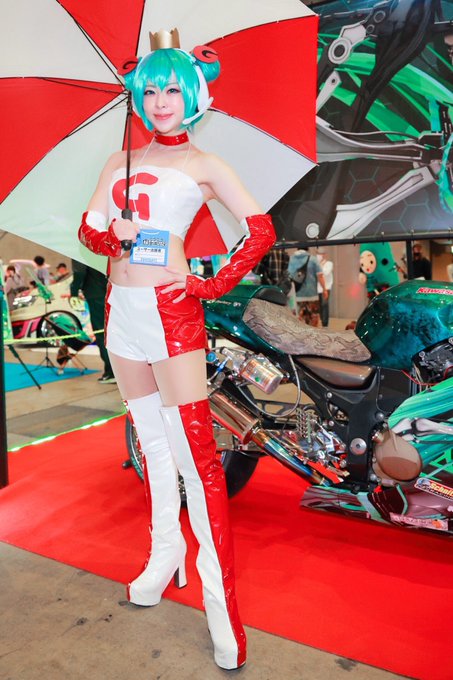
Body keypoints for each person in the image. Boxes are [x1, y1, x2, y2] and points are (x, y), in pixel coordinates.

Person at [77, 30, 275, 671]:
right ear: (137, 96)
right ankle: (166, 555)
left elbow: (260, 230)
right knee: (151, 445)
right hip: (121, 315)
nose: (160, 101)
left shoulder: (204, 165)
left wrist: (209, 285)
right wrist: (112, 236)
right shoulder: (117, 162)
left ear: (193, 95)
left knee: (198, 459)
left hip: (172, 316)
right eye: (150, 90)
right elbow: (87, 227)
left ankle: (222, 609)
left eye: (172, 89)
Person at [69, 260, 116, 384]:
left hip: (96, 294)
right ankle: (116, 371)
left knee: (101, 333)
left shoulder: (81, 250)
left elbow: (79, 271)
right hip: (112, 290)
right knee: (113, 332)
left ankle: (111, 372)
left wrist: (73, 291)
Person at [288, 249, 327, 324]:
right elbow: (320, 276)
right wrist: (324, 289)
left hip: (297, 296)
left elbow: (288, 276)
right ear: (308, 249)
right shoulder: (313, 259)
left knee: (298, 323)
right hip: (312, 296)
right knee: (313, 322)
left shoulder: (291, 259)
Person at [316, 248, 333, 327]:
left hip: (326, 287)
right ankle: (321, 320)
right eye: (318, 254)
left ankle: (325, 323)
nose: (318, 256)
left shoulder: (329, 263)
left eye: (320, 254)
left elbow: (325, 273)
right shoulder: (316, 264)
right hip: (317, 288)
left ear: (324, 255)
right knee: (319, 306)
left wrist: (320, 266)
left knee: (324, 304)